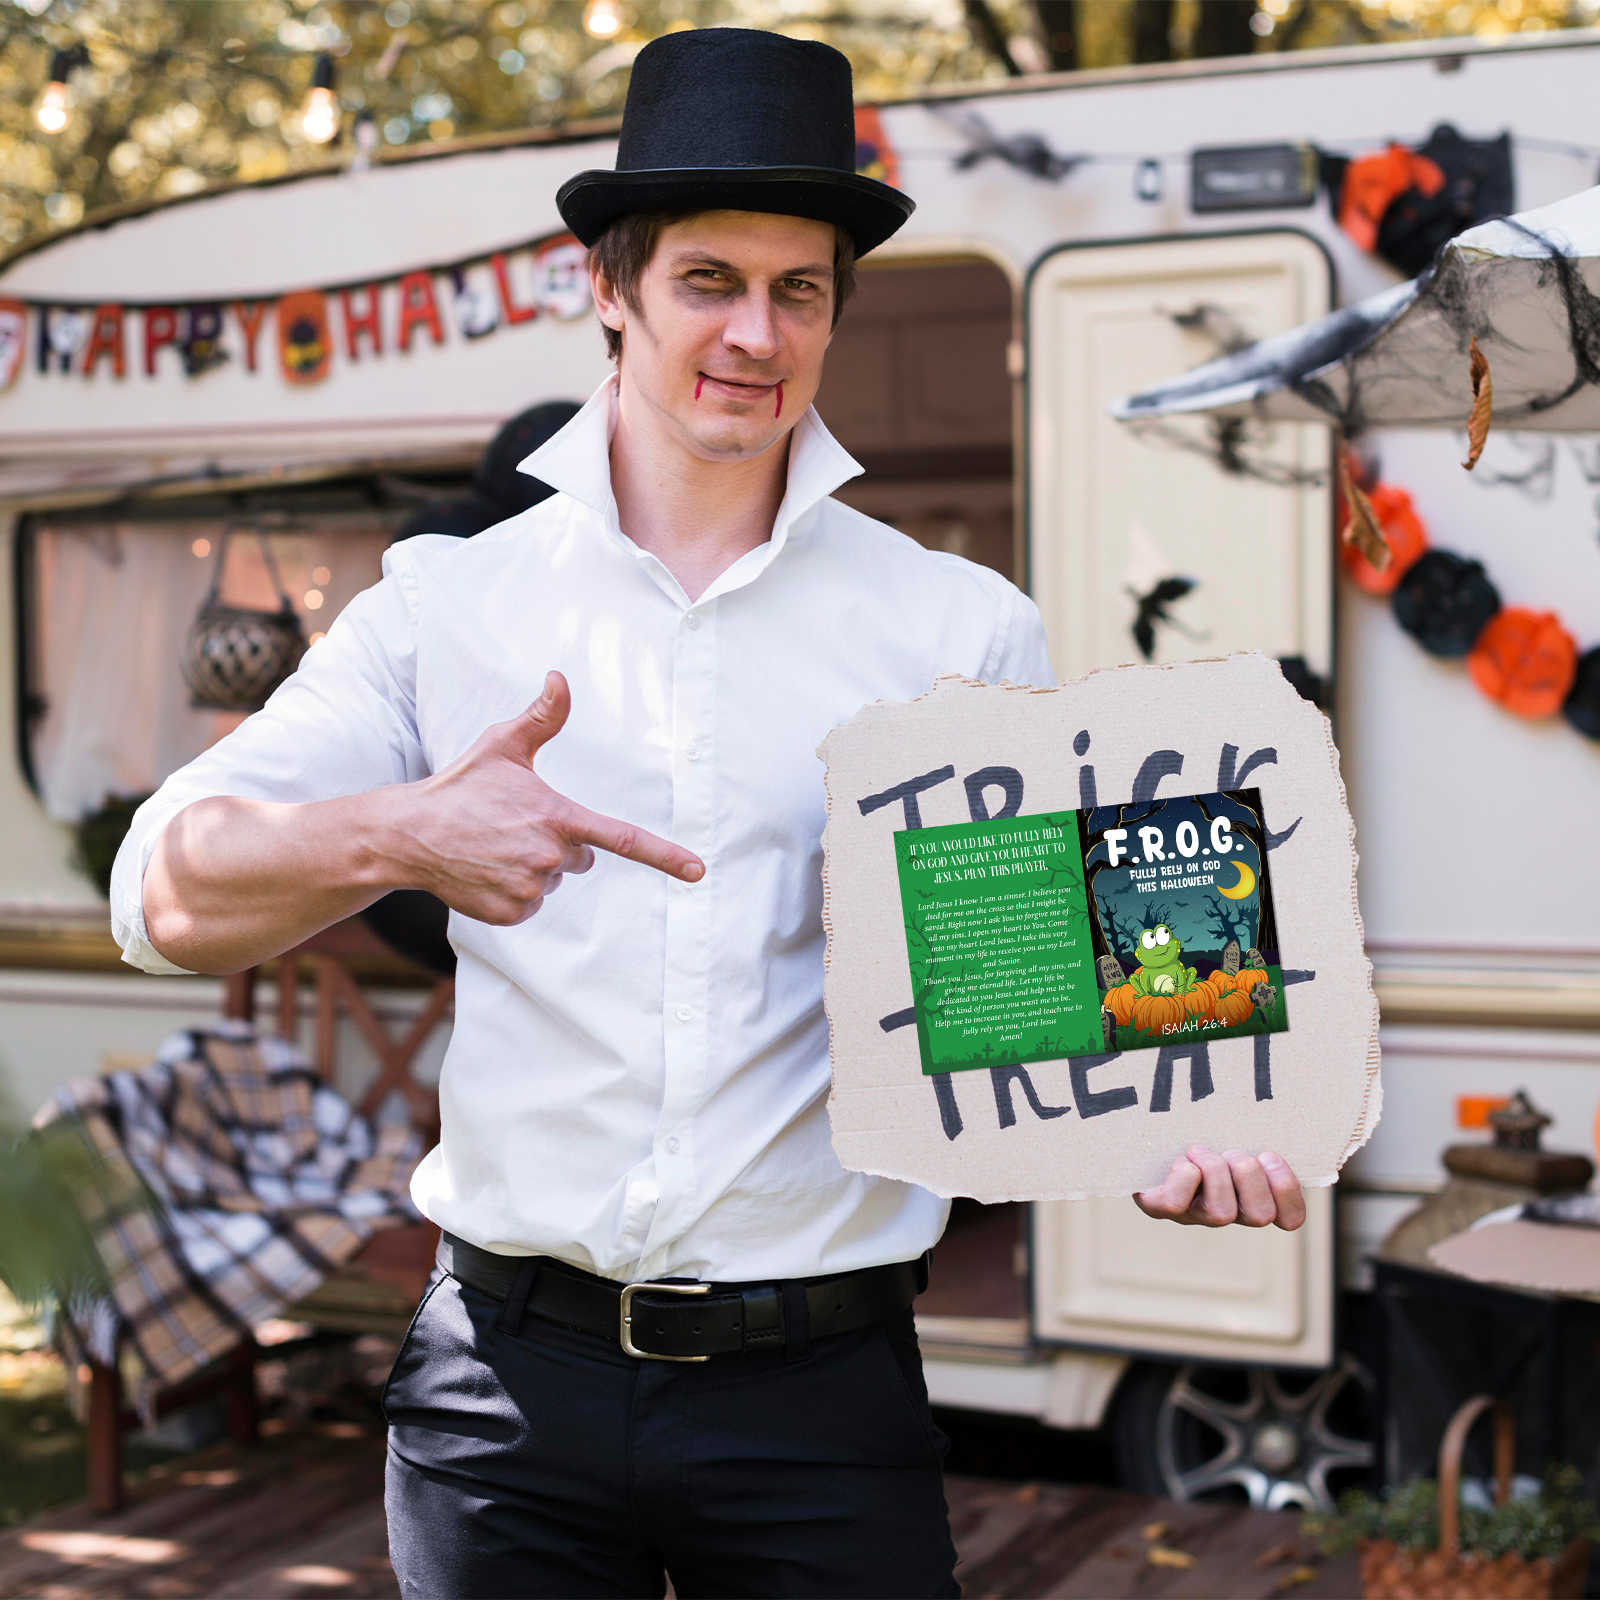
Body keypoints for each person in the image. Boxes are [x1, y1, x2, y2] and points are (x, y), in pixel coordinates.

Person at [110, 28, 1305, 1600]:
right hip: (501, 1401)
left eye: (798, 289)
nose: (756, 332)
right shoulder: (446, 609)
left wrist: (1160, 1117)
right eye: (709, 281)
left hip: (820, 1396)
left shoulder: (958, 628)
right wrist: (400, 834)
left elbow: (1026, 990)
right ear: (607, 288)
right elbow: (162, 896)